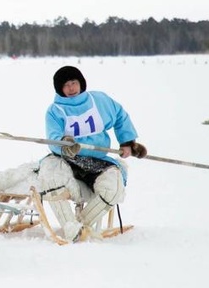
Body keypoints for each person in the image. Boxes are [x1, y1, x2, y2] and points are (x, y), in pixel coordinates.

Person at [43, 65, 147, 235]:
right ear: (60, 89)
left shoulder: (98, 100)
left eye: (74, 83)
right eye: (66, 85)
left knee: (112, 188)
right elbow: (53, 137)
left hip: (98, 160)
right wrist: (65, 145)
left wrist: (127, 142)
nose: (71, 88)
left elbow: (120, 116)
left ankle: (81, 226)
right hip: (68, 159)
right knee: (51, 180)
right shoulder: (55, 111)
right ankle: (70, 228)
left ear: (81, 83)